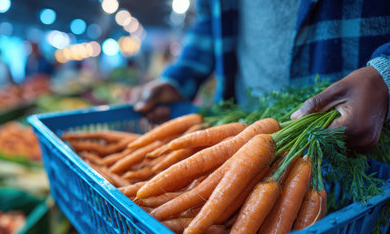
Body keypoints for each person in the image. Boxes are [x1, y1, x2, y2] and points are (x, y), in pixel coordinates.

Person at [130, 0, 390, 152]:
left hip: (355, 138)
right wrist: (179, 77)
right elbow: (211, 19)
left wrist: (384, 75)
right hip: (240, 132)